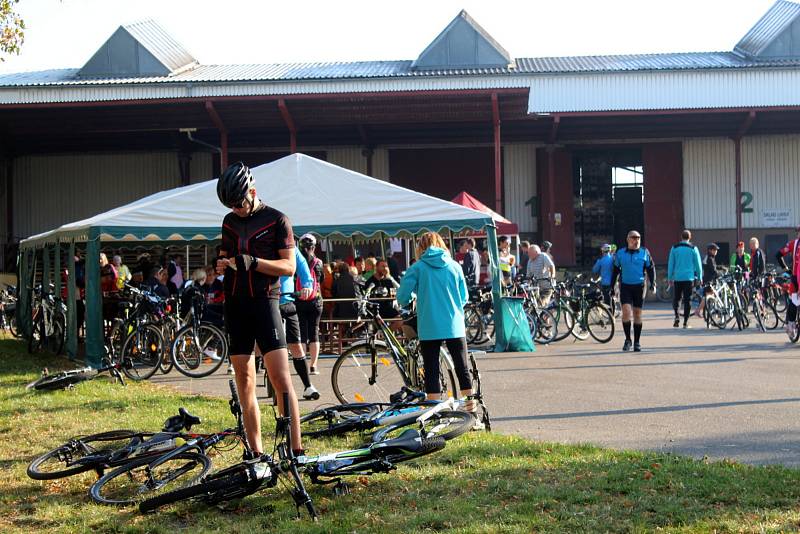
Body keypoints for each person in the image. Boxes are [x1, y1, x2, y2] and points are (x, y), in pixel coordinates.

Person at [215, 161, 303, 464]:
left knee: (281, 379)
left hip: (266, 302)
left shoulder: (278, 220)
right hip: (236, 303)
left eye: (239, 203)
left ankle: (296, 449)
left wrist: (255, 262)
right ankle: (256, 451)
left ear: (252, 191)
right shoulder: (229, 221)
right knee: (245, 380)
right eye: (231, 205)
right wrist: (222, 264)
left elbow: (289, 267)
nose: (237, 209)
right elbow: (225, 255)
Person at [396, 232, 481, 427]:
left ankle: (434, 415)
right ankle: (472, 415)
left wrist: (411, 299)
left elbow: (402, 296)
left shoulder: (417, 268)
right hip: (454, 325)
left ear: (420, 247)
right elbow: (464, 297)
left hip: (429, 325)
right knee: (462, 369)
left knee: (432, 370)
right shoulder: (454, 266)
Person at [278, 246, 319, 400]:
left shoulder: (291, 248)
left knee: (296, 345)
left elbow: (303, 269)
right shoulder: (264, 244)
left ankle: (308, 386)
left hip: (287, 301)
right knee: (259, 347)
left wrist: (307, 286)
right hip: (267, 301)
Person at [611, 230, 656, 352]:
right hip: (625, 286)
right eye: (634, 238)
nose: (636, 240)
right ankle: (627, 340)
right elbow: (615, 271)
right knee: (626, 312)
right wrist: (612, 287)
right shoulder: (620, 253)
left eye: (638, 238)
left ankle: (637, 342)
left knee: (637, 313)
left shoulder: (644, 252)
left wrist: (653, 283)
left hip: (640, 286)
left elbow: (651, 268)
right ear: (628, 239)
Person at [296, 233, 325, 377]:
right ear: (314, 247)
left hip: (300, 299)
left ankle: (303, 364)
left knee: (301, 332)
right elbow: (322, 280)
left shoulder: (297, 262)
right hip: (316, 300)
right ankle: (314, 365)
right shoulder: (318, 262)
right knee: (314, 332)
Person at [667, 229, 702, 328]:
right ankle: (686, 322)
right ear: (690, 237)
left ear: (681, 237)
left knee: (677, 299)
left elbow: (671, 264)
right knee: (688, 300)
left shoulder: (674, 248)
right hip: (689, 278)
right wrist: (699, 277)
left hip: (677, 278)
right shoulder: (693, 248)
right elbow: (698, 264)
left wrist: (670, 277)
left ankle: (677, 316)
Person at [776, 226, 800, 337]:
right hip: (796, 277)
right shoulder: (793, 244)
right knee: (794, 300)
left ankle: (790, 325)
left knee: (794, 301)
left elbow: (778, 255)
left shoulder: (793, 244)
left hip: (795, 277)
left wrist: (786, 268)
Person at [694, 243, 720, 319]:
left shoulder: (710, 258)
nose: (716, 251)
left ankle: (713, 311)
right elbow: (713, 270)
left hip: (709, 280)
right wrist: (720, 274)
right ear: (710, 250)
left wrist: (721, 268)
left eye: (716, 250)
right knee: (707, 296)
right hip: (709, 281)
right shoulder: (710, 259)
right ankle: (698, 310)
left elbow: (714, 267)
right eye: (714, 250)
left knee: (710, 296)